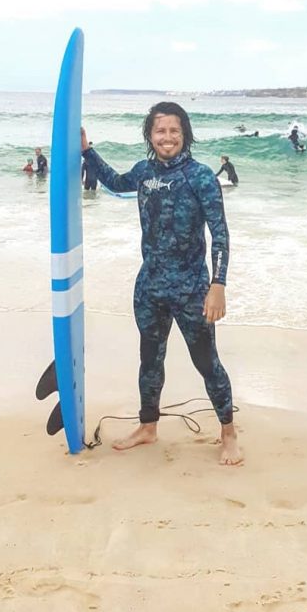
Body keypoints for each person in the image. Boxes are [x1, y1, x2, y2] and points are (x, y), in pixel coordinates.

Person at [80, 102, 241, 465]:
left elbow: (220, 234)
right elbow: (114, 181)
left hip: (191, 289)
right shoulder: (143, 172)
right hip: (150, 286)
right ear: (149, 136)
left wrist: (218, 285)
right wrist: (87, 152)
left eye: (174, 131)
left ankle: (229, 433)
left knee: (206, 362)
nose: (167, 137)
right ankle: (148, 427)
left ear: (184, 135)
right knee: (149, 359)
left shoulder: (200, 176)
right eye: (160, 131)